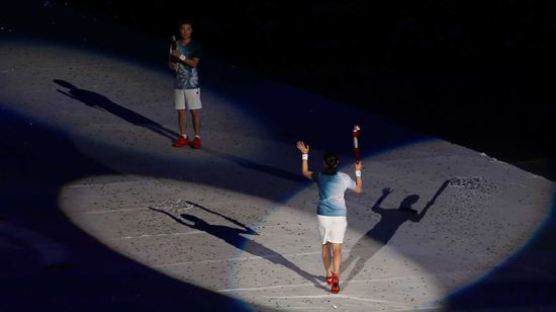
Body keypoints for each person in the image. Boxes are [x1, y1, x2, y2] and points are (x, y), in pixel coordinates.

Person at [296, 141, 363, 294]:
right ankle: (336, 278)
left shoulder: (320, 176)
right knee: (337, 249)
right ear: (337, 163)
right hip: (339, 217)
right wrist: (358, 171)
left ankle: (328, 274)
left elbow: (306, 172)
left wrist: (305, 154)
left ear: (325, 163)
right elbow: (359, 189)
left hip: (323, 216)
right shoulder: (345, 178)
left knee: (326, 247)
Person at [169, 20, 203, 149]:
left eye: (188, 29)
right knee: (181, 111)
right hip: (178, 83)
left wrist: (181, 57)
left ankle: (197, 137)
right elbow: (171, 63)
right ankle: (183, 136)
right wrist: (172, 65)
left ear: (191, 30)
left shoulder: (196, 46)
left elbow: (194, 64)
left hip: (192, 83)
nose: (185, 31)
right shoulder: (174, 44)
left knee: (194, 111)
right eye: (183, 29)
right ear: (180, 30)